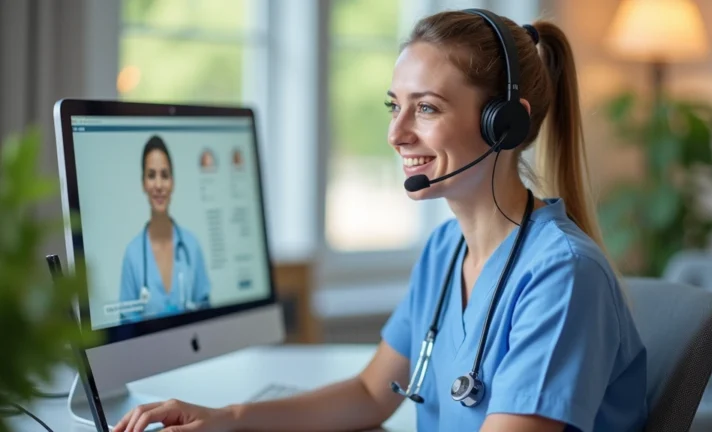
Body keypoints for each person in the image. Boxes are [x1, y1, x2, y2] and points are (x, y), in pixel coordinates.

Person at [115, 9, 647, 432]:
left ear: (505, 125)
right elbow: (371, 393)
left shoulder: (562, 276)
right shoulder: (446, 249)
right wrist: (228, 419)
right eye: (395, 105)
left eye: (428, 108)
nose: (396, 134)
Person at [118, 135, 212, 323]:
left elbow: (206, 317)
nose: (159, 185)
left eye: (165, 175)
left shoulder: (191, 246)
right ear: (143, 183)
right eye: (151, 175)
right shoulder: (132, 254)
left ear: (173, 182)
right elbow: (125, 329)